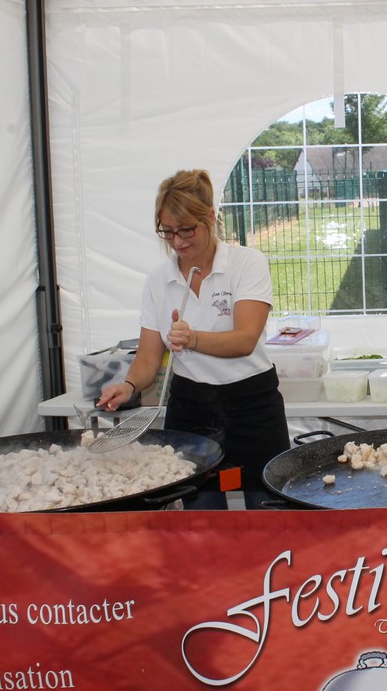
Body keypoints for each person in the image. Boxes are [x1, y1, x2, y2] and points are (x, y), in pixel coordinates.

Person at [97, 168, 290, 509]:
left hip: (253, 406)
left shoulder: (246, 264)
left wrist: (192, 339)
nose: (178, 241)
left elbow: (245, 339)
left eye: (187, 229)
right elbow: (147, 359)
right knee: (201, 513)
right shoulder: (159, 280)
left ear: (211, 218)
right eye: (168, 232)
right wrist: (127, 385)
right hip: (192, 408)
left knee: (268, 509)